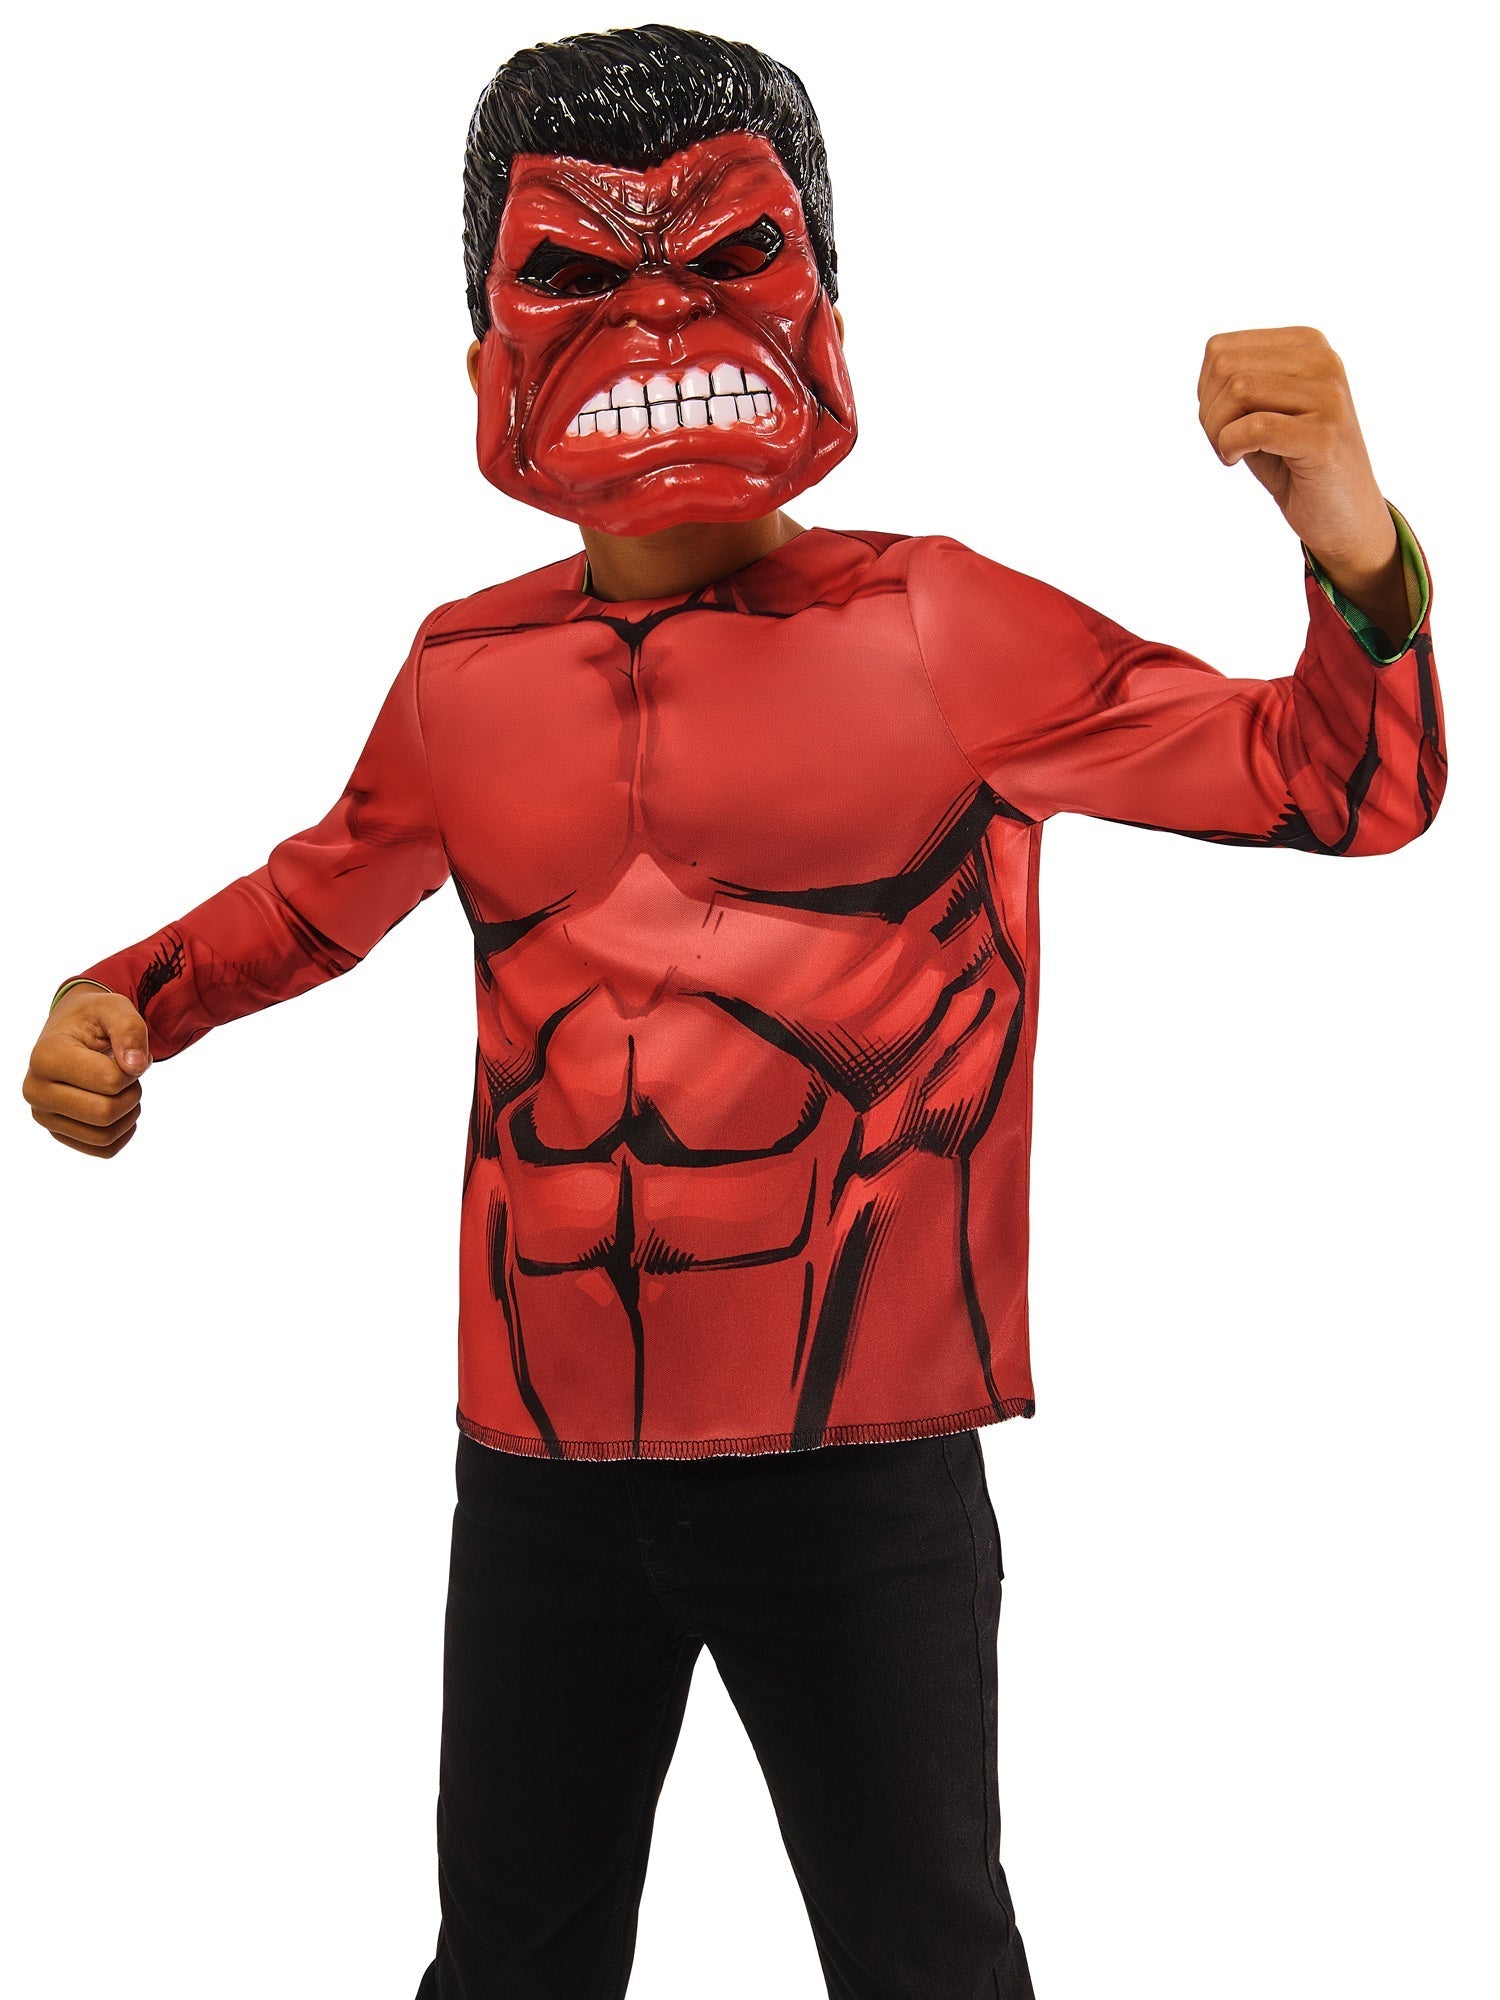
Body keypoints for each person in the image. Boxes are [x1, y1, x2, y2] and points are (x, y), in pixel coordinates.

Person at [20, 23, 1445, 2000]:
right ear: (483, 349)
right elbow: (315, 895)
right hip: (541, 1458)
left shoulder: (939, 627)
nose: (660, 317)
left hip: (854, 1450)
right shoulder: (462, 673)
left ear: (826, 298)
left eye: (730, 254)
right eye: (573, 270)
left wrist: (1352, 537)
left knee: (926, 1962)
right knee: (508, 1966)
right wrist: (126, 998)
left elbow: (1341, 785)